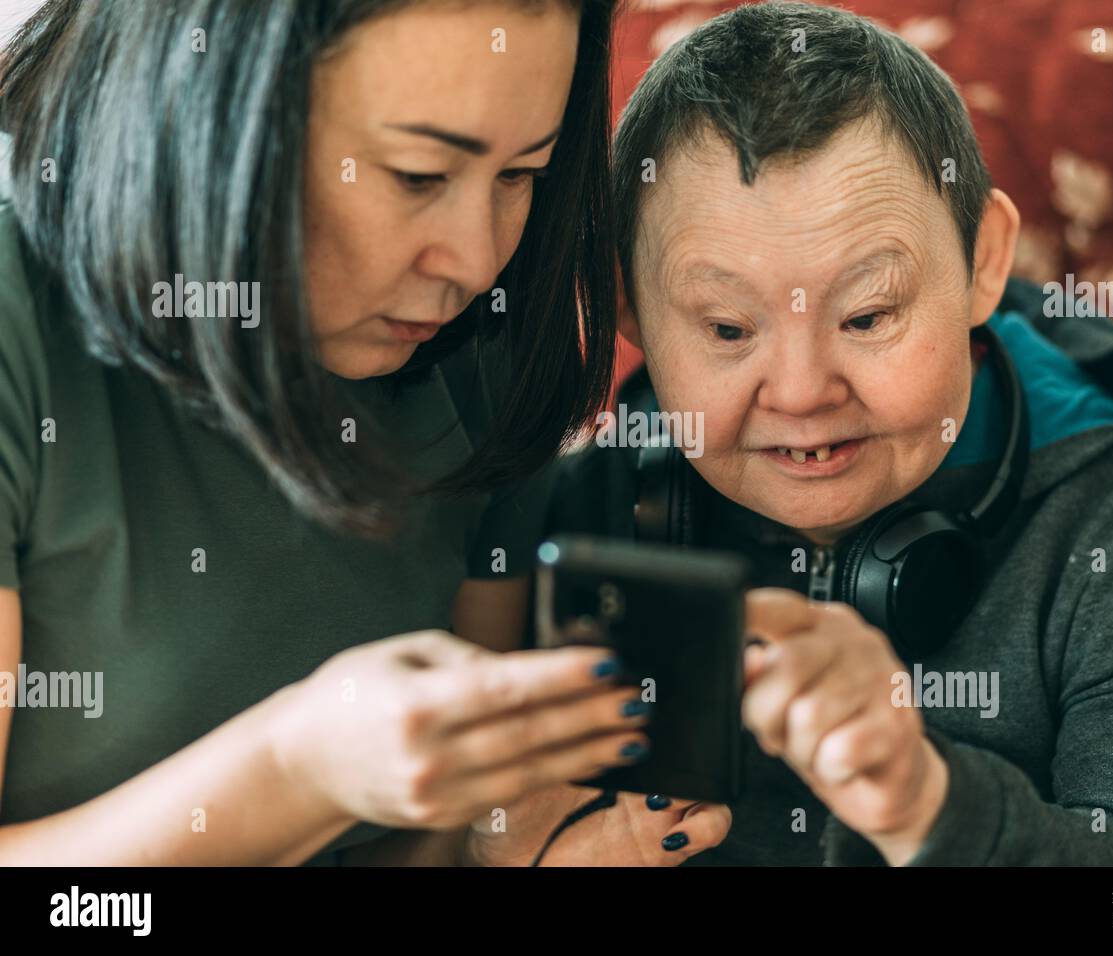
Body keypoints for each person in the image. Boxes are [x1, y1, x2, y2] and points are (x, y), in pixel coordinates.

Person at [0, 0, 729, 866]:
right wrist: (296, 771)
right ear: (207, 109)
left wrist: (492, 855)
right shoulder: (20, 331)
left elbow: (430, 842)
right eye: (418, 176)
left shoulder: (483, 350)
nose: (475, 260)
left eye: (520, 174)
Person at [544, 2, 1113, 865]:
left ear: (983, 262)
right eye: (728, 329)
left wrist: (927, 802)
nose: (802, 393)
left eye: (868, 315)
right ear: (628, 306)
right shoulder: (572, 515)